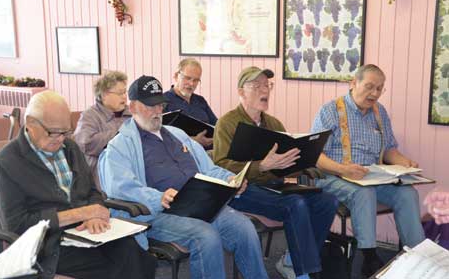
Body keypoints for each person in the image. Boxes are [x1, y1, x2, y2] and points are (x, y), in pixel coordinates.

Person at [99, 75, 268, 279]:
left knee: (244, 227)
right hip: (161, 214)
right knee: (205, 236)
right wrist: (157, 197)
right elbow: (121, 188)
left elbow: (209, 169)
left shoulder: (177, 134)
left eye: (160, 105)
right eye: (150, 106)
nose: (157, 112)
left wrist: (231, 180)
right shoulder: (120, 146)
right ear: (133, 107)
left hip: (200, 205)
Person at [0, 90, 156, 279]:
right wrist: (80, 214)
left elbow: (92, 192)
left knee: (132, 251)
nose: (61, 138)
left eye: (65, 132)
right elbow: (17, 224)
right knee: (116, 267)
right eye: (53, 132)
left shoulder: (70, 148)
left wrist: (95, 214)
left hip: (83, 233)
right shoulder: (9, 160)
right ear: (30, 123)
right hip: (47, 245)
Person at [212, 66, 338, 279]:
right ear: (241, 91)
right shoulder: (227, 123)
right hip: (242, 190)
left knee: (328, 201)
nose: (265, 90)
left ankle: (292, 260)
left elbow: (287, 160)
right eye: (257, 86)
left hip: (274, 186)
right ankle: (304, 273)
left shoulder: (274, 123)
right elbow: (221, 166)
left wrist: (305, 160)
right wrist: (261, 166)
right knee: (295, 204)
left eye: (267, 85)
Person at [310, 64, 425, 277]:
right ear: (353, 83)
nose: (374, 93)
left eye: (380, 88)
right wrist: (343, 169)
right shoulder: (330, 111)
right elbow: (315, 156)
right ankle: (369, 256)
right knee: (364, 193)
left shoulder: (379, 112)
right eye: (370, 86)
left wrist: (405, 162)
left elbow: (390, 148)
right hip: (334, 176)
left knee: (408, 193)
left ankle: (418, 255)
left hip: (371, 177)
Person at [74, 71, 131, 187]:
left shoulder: (131, 112)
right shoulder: (90, 115)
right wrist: (120, 134)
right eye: (120, 93)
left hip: (130, 170)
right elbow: (85, 143)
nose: (125, 97)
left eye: (125, 92)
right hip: (101, 176)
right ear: (104, 95)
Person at [164, 58, 217, 148]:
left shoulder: (200, 101)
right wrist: (193, 141)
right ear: (176, 76)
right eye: (188, 78)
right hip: (181, 155)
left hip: (208, 153)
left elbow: (216, 126)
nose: (191, 83)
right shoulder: (163, 101)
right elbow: (160, 136)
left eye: (196, 80)